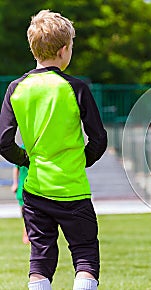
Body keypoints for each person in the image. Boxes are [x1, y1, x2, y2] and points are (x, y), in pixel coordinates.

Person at [0, 10, 107, 290]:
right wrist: (81, 161)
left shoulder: (16, 89)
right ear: (63, 51)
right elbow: (99, 139)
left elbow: (3, 141)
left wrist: (25, 160)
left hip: (35, 190)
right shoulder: (76, 88)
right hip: (73, 189)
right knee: (85, 258)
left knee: (40, 262)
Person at [11, 144, 29, 244]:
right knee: (24, 213)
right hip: (23, 186)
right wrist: (15, 183)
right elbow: (16, 167)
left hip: (35, 186)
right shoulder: (23, 148)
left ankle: (27, 234)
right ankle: (26, 233)